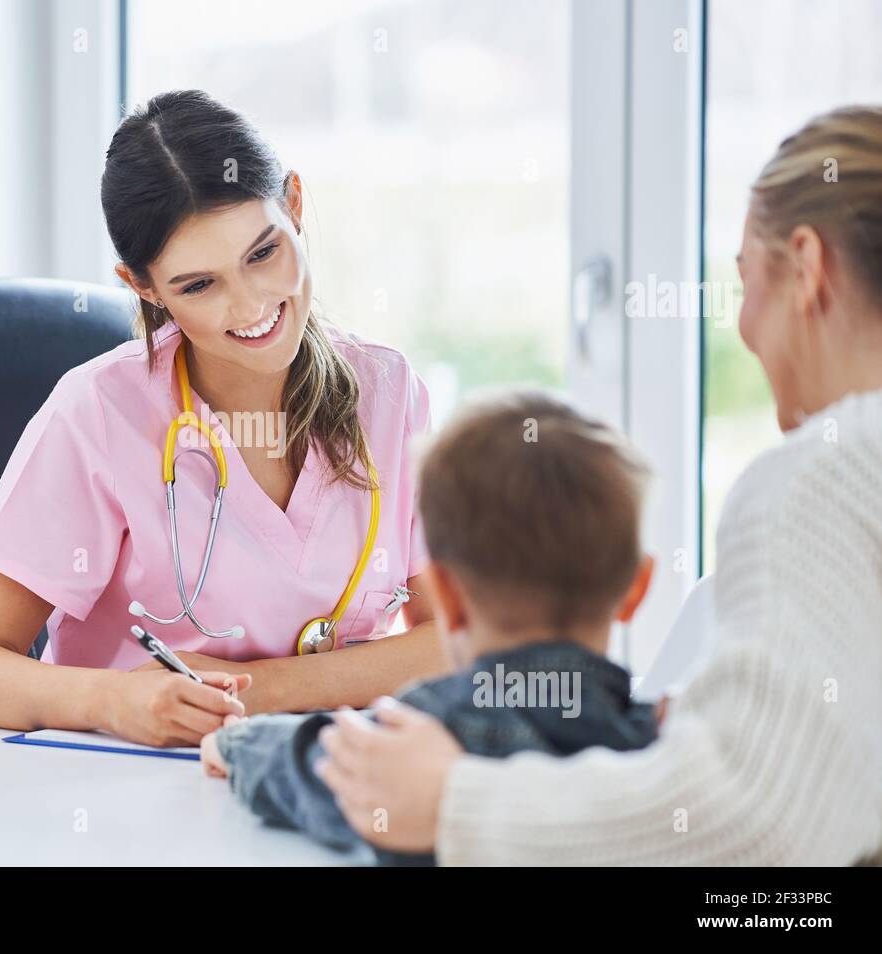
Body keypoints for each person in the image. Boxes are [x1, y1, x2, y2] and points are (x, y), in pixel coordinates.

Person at [316, 106, 882, 866]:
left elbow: (754, 827)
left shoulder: (821, 478)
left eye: (745, 280)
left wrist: (454, 803)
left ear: (808, 266)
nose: (743, 325)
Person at [0, 90, 447, 746]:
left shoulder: (390, 392)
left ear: (294, 205)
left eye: (264, 254)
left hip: (327, 781)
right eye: (199, 285)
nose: (251, 304)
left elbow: (462, 642)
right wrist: (117, 700)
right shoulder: (98, 414)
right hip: (128, 800)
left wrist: (265, 690)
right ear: (144, 286)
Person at [200, 392, 661, 864]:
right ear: (637, 589)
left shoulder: (427, 729)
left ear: (445, 595)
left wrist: (234, 744)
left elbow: (315, 764)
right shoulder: (652, 736)